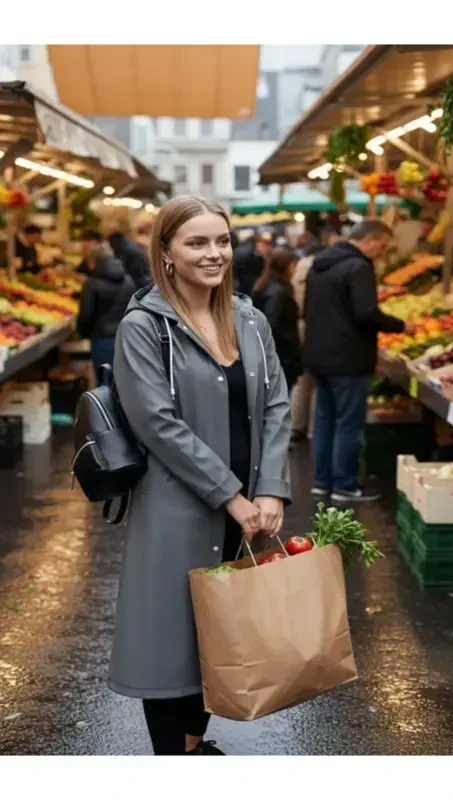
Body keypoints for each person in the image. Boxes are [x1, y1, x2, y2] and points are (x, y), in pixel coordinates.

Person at [109, 194, 291, 756]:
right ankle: (177, 756)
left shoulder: (250, 319)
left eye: (222, 240)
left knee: (219, 633)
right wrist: (232, 495)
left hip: (247, 508)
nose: (214, 254)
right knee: (170, 638)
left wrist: (271, 487)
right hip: (176, 506)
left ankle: (194, 744)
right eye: (196, 243)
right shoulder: (144, 327)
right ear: (165, 252)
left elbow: (277, 404)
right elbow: (157, 424)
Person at [304, 220, 412, 504]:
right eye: (383, 246)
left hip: (320, 355)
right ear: (372, 239)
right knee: (348, 424)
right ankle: (345, 485)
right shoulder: (359, 267)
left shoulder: (320, 264)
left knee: (325, 419)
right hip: (348, 357)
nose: (382, 252)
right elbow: (366, 312)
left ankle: (322, 481)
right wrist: (401, 326)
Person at [76, 242, 136, 376]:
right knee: (124, 382)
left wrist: (81, 333)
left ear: (93, 262)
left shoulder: (92, 284)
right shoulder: (128, 280)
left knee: (105, 383)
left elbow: (86, 315)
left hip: (102, 340)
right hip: (127, 338)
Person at [252, 247, 301, 393]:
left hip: (270, 356)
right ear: (288, 266)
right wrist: (289, 343)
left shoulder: (263, 285)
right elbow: (272, 323)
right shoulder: (279, 291)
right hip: (281, 357)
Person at [290, 244, 326, 442]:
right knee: (315, 382)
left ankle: (296, 425)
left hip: (301, 326)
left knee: (303, 381)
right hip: (314, 328)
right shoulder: (319, 271)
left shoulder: (300, 269)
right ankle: (313, 429)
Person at [234, 230, 273, 296]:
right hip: (244, 289)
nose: (268, 249)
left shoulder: (260, 255)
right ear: (258, 243)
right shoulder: (246, 255)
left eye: (269, 246)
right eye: (265, 245)